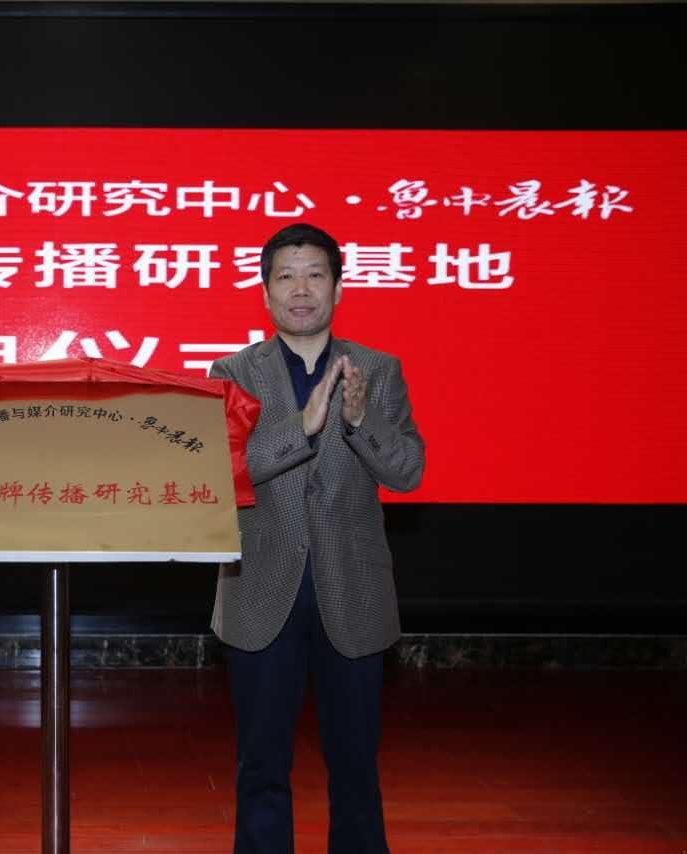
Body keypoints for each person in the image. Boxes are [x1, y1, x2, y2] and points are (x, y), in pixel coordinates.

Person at [209, 222, 424, 853]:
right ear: (265, 292)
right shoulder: (233, 371)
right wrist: (301, 427)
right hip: (260, 591)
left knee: (356, 766)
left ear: (337, 288)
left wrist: (359, 420)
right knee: (261, 765)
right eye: (286, 276)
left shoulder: (378, 370)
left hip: (352, 590)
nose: (301, 290)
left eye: (315, 275)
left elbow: (407, 471)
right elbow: (221, 470)